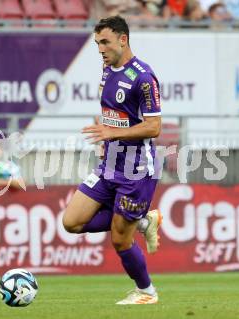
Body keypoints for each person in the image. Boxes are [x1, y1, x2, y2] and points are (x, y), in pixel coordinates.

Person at [62, 15, 162, 305]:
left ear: (123, 39)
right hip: (110, 163)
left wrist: (112, 131)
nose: (100, 49)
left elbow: (154, 127)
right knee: (71, 222)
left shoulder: (144, 77)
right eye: (97, 43)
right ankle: (142, 221)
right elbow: (110, 111)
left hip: (136, 169)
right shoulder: (107, 69)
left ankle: (146, 292)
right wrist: (106, 135)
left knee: (120, 240)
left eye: (105, 42)